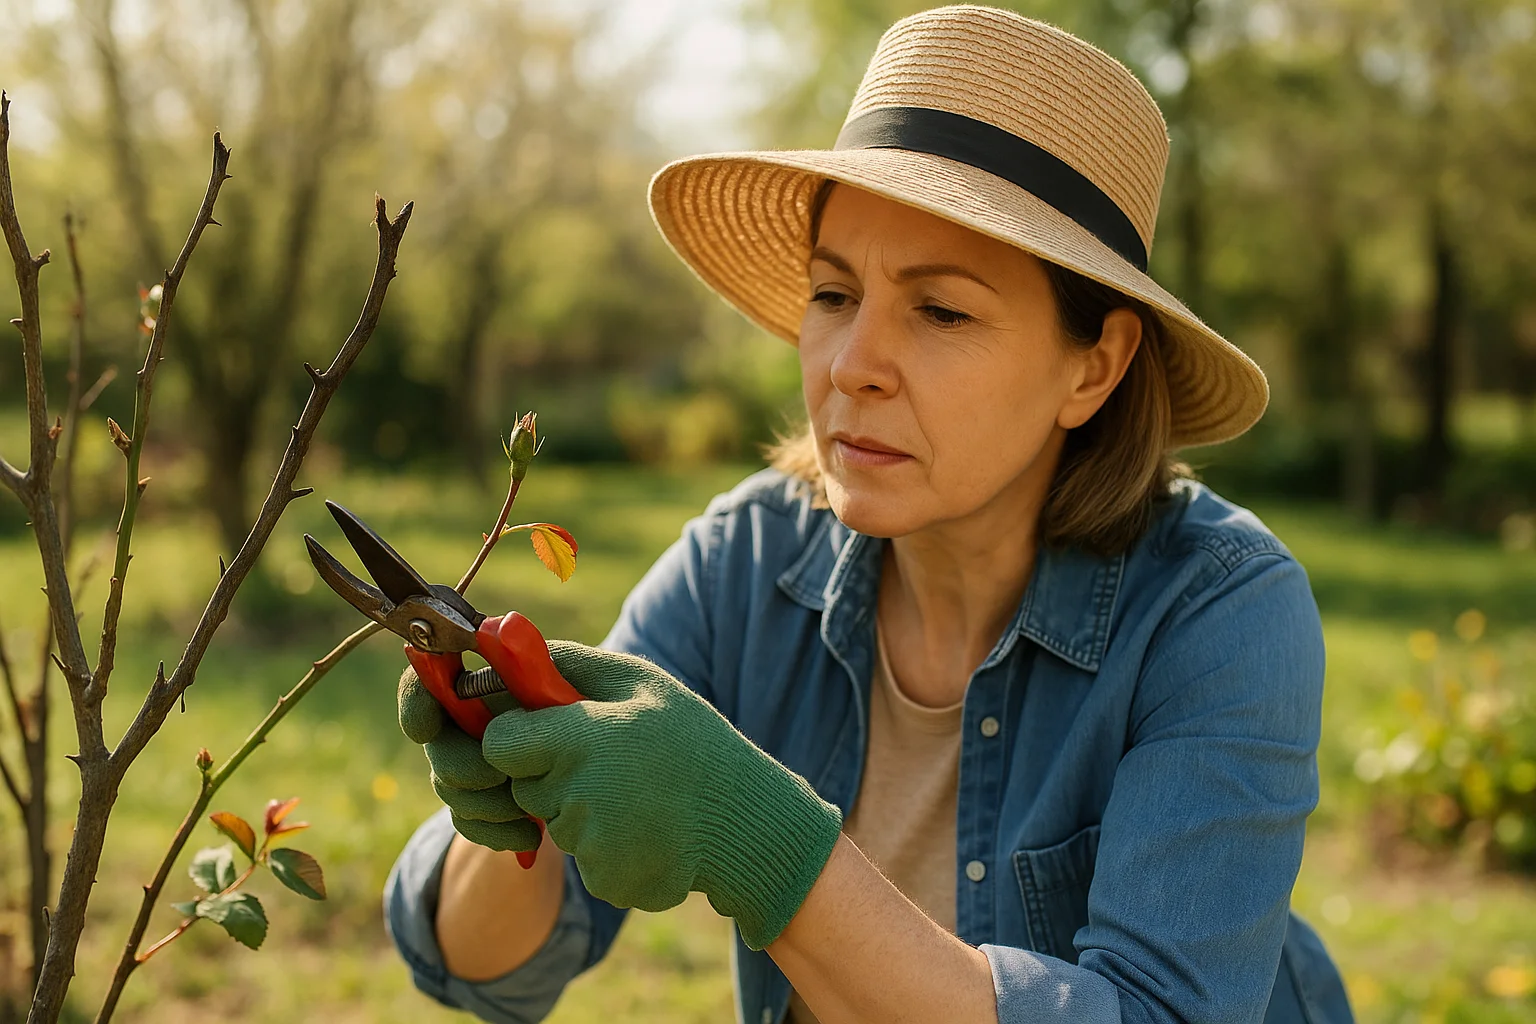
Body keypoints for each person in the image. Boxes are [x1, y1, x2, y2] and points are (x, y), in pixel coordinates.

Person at [384, 6, 1355, 1023]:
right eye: (833, 294)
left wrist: (756, 837)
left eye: (940, 310)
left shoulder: (1218, 614)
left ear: (1095, 365)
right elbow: (485, 970)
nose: (850, 367)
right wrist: (516, 806)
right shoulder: (746, 562)